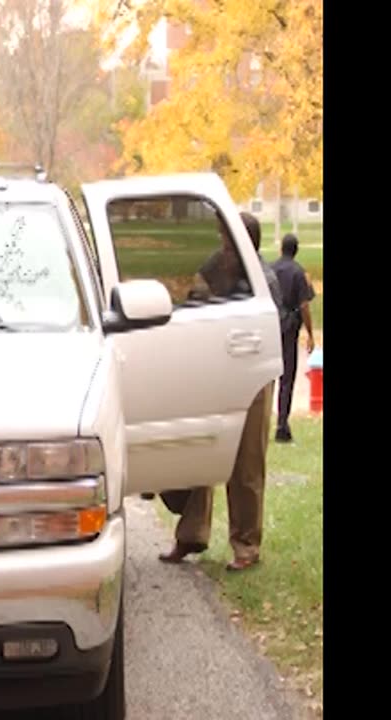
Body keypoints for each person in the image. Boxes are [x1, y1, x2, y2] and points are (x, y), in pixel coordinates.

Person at [160, 211, 279, 572]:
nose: (222, 247)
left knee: (246, 463)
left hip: (252, 375)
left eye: (228, 240)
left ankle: (246, 545)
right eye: (222, 238)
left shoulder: (264, 278)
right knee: (201, 450)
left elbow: (265, 323)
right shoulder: (216, 265)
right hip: (214, 371)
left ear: (247, 243)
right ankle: (191, 535)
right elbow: (196, 297)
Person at [271, 233, 317, 442]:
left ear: (282, 248)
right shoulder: (299, 273)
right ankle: (282, 423)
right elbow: (305, 304)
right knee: (287, 377)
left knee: (268, 376)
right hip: (290, 329)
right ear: (296, 250)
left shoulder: (270, 269)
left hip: (271, 327)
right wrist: (309, 333)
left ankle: (264, 420)